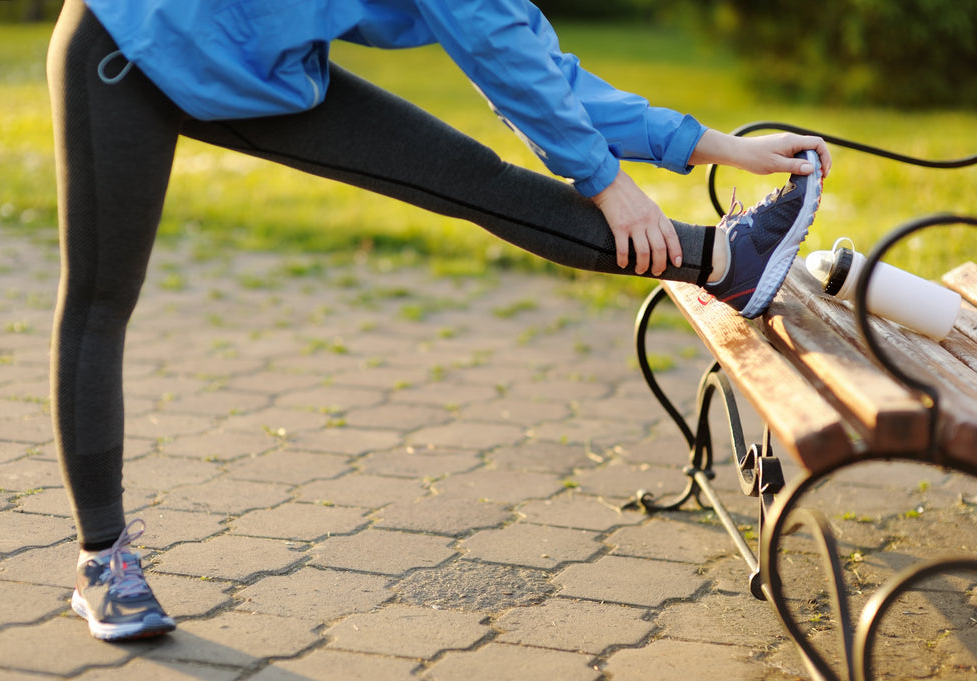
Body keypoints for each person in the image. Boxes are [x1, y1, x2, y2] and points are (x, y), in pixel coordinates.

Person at [47, 0, 831, 641]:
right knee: (101, 298)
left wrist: (713, 146)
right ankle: (102, 560)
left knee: (469, 177)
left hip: (258, 71)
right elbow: (498, 46)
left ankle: (724, 260)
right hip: (136, 41)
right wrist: (604, 178)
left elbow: (525, 56)